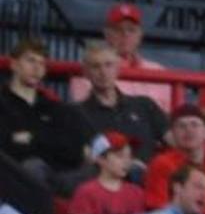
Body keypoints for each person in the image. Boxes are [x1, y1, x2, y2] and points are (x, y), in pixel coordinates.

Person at [0, 35, 86, 191]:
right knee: (33, 167)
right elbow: (5, 147)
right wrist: (48, 141)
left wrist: (32, 138)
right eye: (30, 60)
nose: (37, 68)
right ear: (14, 64)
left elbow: (73, 150)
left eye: (41, 63)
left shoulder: (56, 107)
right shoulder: (2, 103)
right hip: (16, 178)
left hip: (60, 175)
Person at [72, 40, 169, 161]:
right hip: (102, 176)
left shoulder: (144, 105)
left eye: (108, 65)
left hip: (147, 175)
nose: (103, 72)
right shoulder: (76, 113)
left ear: (117, 69)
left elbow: (174, 140)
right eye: (96, 66)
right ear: (86, 73)